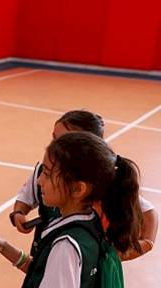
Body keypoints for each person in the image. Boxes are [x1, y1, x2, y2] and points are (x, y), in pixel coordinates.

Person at [0, 132, 143, 287]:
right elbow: (43, 271)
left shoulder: (66, 246)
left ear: (78, 189)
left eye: (47, 174)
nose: (39, 180)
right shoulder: (92, 223)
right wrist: (3, 247)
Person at [11, 110, 157, 260]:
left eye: (64, 140)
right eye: (54, 138)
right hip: (47, 252)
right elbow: (26, 197)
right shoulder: (44, 172)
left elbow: (148, 213)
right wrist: (19, 213)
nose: (55, 145)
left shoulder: (105, 181)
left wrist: (145, 244)